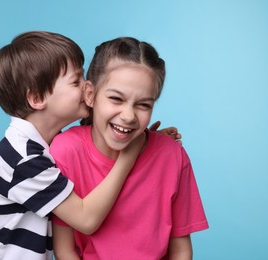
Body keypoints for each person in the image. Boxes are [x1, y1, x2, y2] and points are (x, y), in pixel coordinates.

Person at [0, 31, 156, 260]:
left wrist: (147, 139)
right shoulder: (23, 158)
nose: (87, 86)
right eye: (76, 81)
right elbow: (86, 219)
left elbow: (97, 137)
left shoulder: (45, 143)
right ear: (37, 99)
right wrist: (129, 155)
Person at [51, 37, 209, 259]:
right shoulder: (66, 152)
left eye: (143, 105)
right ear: (90, 94)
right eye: (116, 99)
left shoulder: (172, 156)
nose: (128, 116)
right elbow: (65, 250)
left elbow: (181, 251)